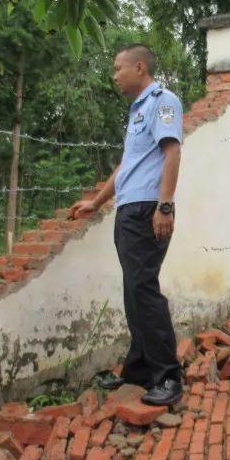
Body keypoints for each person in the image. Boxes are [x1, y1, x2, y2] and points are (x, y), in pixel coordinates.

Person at [68, 43, 185, 407]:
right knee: (134, 292)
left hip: (149, 210)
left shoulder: (163, 102)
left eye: (118, 68)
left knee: (143, 290)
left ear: (139, 67)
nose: (114, 75)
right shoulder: (137, 111)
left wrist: (164, 206)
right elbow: (126, 167)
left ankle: (168, 376)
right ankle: (137, 371)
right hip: (129, 211)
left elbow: (173, 152)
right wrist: (97, 202)